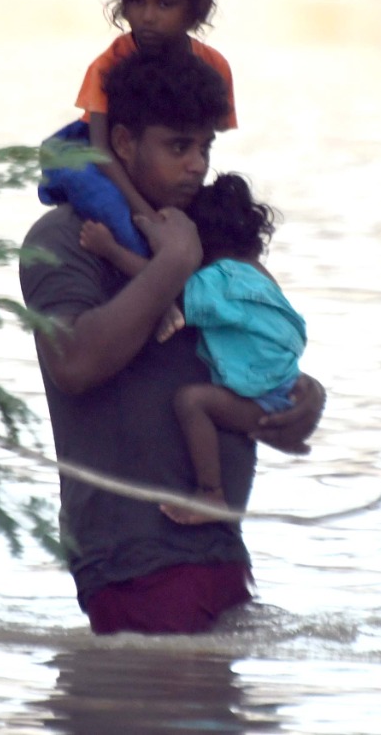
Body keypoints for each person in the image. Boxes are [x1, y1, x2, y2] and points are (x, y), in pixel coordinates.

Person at [20, 49, 322, 636]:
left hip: (219, 553)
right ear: (125, 143)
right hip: (135, 560)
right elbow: (76, 364)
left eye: (205, 149)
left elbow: (254, 347)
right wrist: (173, 263)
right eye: (178, 147)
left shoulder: (206, 236)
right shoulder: (66, 240)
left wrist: (305, 397)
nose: (195, 166)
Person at [80, 172, 308, 526]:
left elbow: (162, 282)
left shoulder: (222, 279)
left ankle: (211, 493)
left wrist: (109, 249)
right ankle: (289, 441)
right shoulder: (259, 276)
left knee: (191, 402)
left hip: (265, 398)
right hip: (285, 385)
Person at [39, 0, 236, 266]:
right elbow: (100, 150)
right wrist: (144, 212)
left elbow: (200, 143)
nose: (146, 16)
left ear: (197, 8)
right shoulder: (107, 65)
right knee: (108, 206)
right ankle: (150, 281)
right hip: (95, 154)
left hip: (161, 161)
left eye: (164, 3)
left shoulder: (212, 66)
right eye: (136, 1)